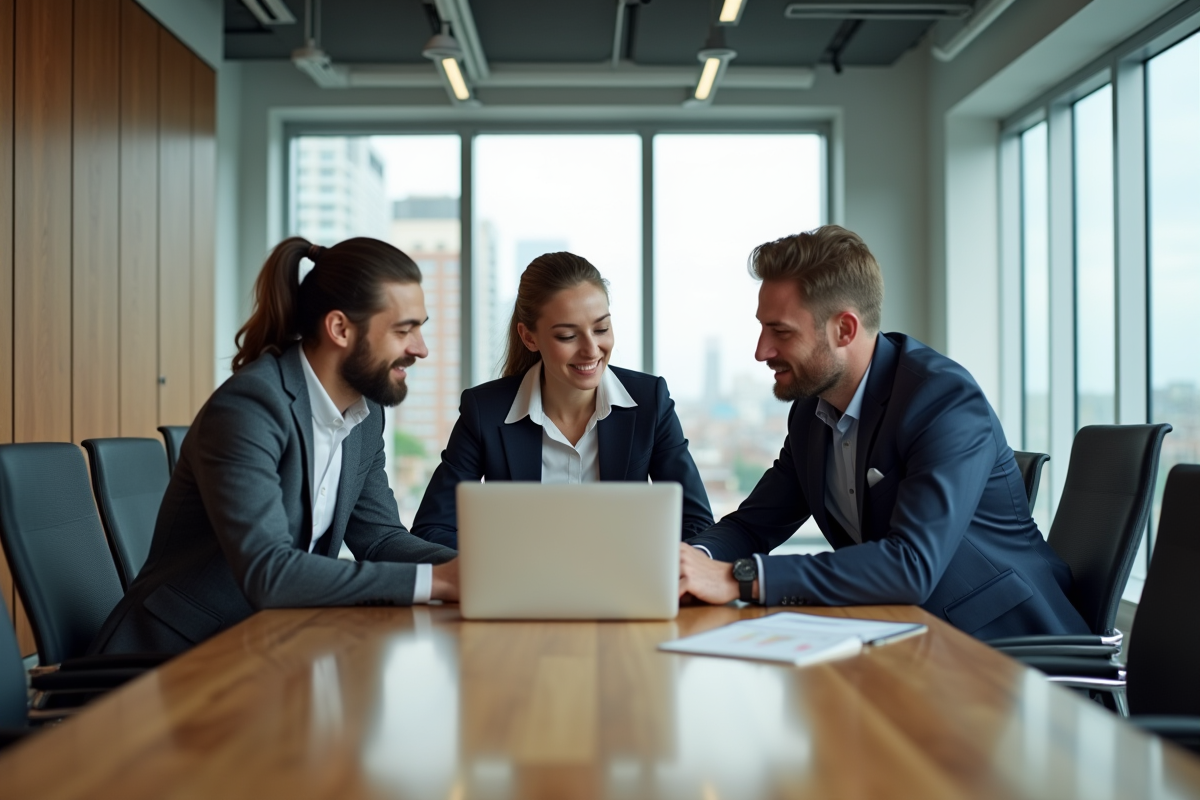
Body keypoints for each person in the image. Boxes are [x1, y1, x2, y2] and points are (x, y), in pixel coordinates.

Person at [679, 226, 1088, 640]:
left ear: (845, 330)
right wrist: (690, 563)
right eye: (762, 328)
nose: (761, 351)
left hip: (1005, 649)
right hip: (905, 638)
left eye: (781, 332)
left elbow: (911, 564)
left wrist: (741, 577)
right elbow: (753, 526)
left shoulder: (942, 400)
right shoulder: (811, 412)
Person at [90, 237, 459, 656]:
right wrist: (443, 580)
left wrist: (477, 567)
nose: (421, 349)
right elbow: (270, 572)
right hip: (168, 660)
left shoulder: (365, 414)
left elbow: (380, 539)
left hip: (263, 649)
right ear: (340, 328)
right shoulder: (250, 407)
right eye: (403, 330)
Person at [412, 252, 713, 548]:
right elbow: (432, 528)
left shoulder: (650, 401)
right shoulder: (485, 411)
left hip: (623, 592)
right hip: (521, 592)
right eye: (568, 336)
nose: (592, 350)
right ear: (529, 337)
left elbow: (696, 524)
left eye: (601, 329)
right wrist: (489, 568)